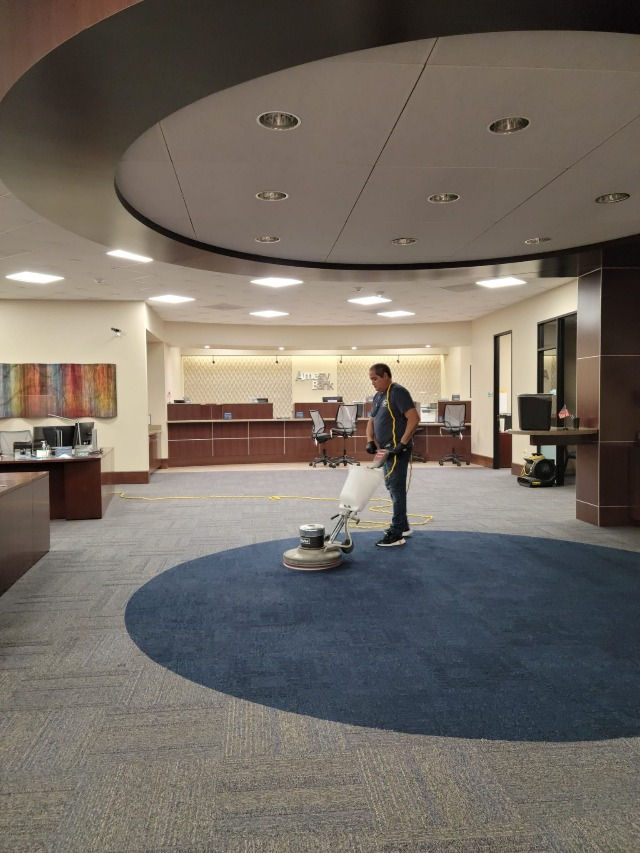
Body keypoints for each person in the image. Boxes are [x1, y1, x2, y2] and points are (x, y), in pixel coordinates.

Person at [365, 363, 420, 547]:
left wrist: (402, 444)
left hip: (396, 450)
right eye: (371, 379)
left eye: (375, 378)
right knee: (391, 485)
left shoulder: (398, 392)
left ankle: (396, 533)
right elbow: (371, 421)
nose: (373, 382)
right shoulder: (378, 396)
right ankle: (403, 526)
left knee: (396, 488)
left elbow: (414, 418)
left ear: (386, 375)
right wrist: (370, 440)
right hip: (384, 450)